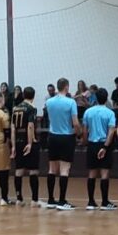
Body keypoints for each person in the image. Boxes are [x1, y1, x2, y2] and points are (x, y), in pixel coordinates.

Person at [45, 78, 80, 210]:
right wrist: (79, 133)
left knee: (52, 169)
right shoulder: (71, 102)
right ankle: (62, 200)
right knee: (64, 169)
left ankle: (50, 199)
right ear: (66, 87)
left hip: (52, 136)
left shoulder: (49, 102)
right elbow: (75, 122)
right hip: (66, 137)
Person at [82, 88, 117, 210]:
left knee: (92, 173)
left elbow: (85, 130)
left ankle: (91, 201)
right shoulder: (110, 113)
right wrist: (105, 147)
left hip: (92, 143)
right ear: (106, 98)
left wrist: (85, 142)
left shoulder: (88, 112)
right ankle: (105, 202)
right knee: (104, 173)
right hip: (104, 143)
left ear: (96, 98)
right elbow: (111, 132)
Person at [11, 87, 41, 207]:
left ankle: (19, 199)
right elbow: (30, 126)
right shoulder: (31, 108)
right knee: (33, 170)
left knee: (19, 169)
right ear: (33, 96)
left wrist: (13, 146)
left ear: (23, 95)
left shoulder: (15, 108)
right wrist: (30, 143)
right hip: (28, 140)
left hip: (18, 140)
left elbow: (13, 128)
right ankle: (34, 200)